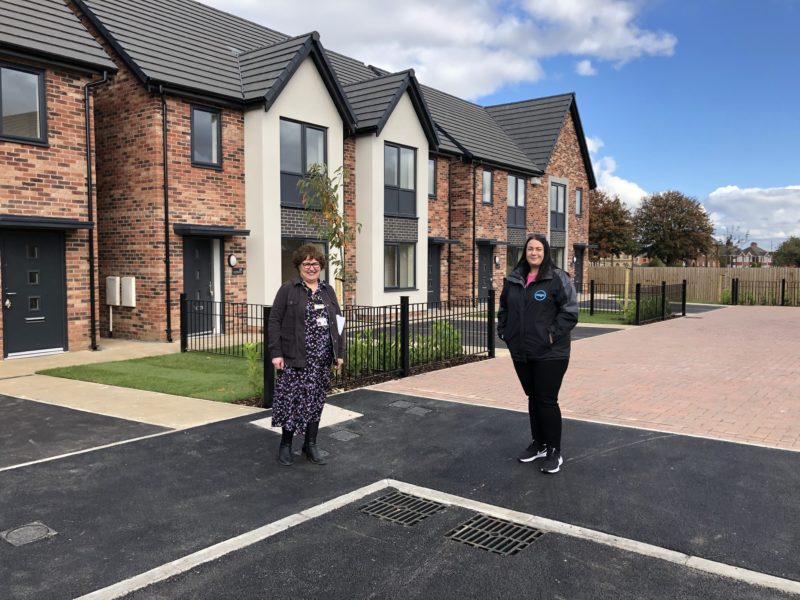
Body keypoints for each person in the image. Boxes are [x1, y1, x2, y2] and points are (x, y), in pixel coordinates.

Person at [497, 234, 578, 474]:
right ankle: (539, 444)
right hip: (521, 350)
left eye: (539, 249)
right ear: (525, 252)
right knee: (533, 397)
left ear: (545, 252)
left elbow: (570, 313)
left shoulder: (557, 278)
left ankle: (554, 450)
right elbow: (504, 308)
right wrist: (504, 331)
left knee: (546, 399)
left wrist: (550, 336)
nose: (534, 253)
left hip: (551, 353)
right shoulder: (514, 279)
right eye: (530, 249)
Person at [268, 244, 345, 467]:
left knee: (315, 402)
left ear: (320, 266)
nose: (311, 267)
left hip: (320, 361)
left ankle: (310, 445)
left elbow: (338, 323)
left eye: (315, 263)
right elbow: (274, 321)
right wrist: (276, 353)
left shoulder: (328, 291)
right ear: (299, 266)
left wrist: (339, 352)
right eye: (306, 263)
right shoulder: (288, 289)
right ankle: (285, 445)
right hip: (294, 359)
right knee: (290, 403)